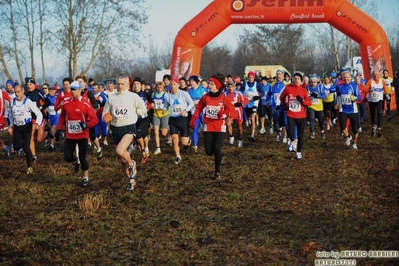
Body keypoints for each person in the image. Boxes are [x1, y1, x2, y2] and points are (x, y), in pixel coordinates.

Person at [102, 74, 147, 191]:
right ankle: (131, 180)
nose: (120, 86)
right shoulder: (111, 97)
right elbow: (105, 112)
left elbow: (143, 108)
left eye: (122, 84)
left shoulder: (133, 96)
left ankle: (132, 163)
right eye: (118, 84)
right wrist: (106, 116)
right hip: (116, 128)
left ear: (128, 84)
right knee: (122, 160)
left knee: (120, 150)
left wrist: (135, 113)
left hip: (129, 127)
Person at [190, 74, 238, 179]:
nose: (209, 85)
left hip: (220, 127)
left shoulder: (223, 98)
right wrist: (194, 118)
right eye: (209, 83)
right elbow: (198, 109)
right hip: (208, 126)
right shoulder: (205, 97)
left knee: (217, 149)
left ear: (217, 85)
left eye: (212, 84)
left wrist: (225, 114)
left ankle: (217, 172)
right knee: (208, 152)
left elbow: (234, 113)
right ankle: (218, 156)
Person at [56, 81, 98, 186]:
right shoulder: (66, 103)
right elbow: (62, 117)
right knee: (67, 157)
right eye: (72, 89)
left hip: (82, 135)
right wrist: (58, 129)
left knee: (83, 157)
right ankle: (76, 160)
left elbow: (94, 119)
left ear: (80, 90)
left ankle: (85, 177)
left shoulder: (85, 103)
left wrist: (87, 125)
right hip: (70, 134)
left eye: (75, 89)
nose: (73, 91)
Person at [9, 85, 43, 174]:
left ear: (22, 91)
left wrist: (37, 123)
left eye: (18, 92)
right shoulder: (12, 101)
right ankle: (22, 146)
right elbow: (10, 114)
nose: (17, 94)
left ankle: (29, 166)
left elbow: (39, 113)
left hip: (26, 127)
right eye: (15, 92)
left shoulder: (27, 102)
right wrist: (11, 124)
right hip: (17, 127)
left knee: (26, 147)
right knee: (16, 147)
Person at [279, 72, 312, 160]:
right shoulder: (288, 88)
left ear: (301, 81)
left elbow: (309, 103)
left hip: (301, 116)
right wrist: (284, 104)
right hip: (291, 114)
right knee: (290, 132)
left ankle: (299, 152)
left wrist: (302, 101)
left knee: (300, 135)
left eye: (298, 79)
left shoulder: (304, 90)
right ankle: (292, 141)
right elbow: (281, 97)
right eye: (295, 79)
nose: (296, 80)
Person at [162, 78, 194, 165]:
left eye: (174, 84)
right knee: (175, 140)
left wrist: (186, 110)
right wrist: (165, 109)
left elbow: (191, 103)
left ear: (178, 85)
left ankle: (187, 142)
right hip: (173, 120)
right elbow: (166, 105)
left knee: (183, 142)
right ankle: (178, 156)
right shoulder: (168, 96)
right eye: (171, 84)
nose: (172, 86)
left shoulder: (184, 94)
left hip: (182, 119)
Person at [336, 71, 361, 149]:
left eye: (347, 77)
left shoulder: (354, 86)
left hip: (353, 110)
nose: (346, 79)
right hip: (343, 110)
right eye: (344, 77)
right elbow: (338, 96)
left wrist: (355, 98)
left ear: (350, 78)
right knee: (342, 126)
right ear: (342, 78)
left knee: (355, 129)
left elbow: (360, 97)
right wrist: (336, 103)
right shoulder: (340, 86)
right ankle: (348, 136)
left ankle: (354, 143)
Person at [224, 81, 249, 147]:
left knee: (239, 127)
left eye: (232, 87)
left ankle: (240, 139)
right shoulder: (225, 94)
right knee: (228, 123)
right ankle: (231, 136)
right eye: (229, 87)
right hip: (230, 112)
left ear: (234, 87)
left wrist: (241, 103)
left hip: (238, 111)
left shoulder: (239, 93)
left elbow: (246, 100)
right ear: (227, 87)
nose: (231, 89)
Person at [240, 71, 262, 141]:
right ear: (248, 77)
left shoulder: (257, 84)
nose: (250, 79)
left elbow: (263, 93)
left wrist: (258, 97)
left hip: (254, 104)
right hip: (246, 104)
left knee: (253, 118)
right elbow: (239, 92)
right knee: (246, 120)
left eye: (252, 77)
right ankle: (244, 132)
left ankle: (252, 135)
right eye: (249, 77)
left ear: (254, 78)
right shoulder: (244, 84)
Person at [364, 69, 387, 137]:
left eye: (377, 74)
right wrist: (369, 90)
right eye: (374, 74)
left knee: (379, 113)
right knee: (372, 113)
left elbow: (385, 89)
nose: (375, 76)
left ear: (379, 75)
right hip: (372, 100)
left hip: (379, 99)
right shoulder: (370, 81)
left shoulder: (382, 81)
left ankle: (379, 127)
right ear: (372, 75)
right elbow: (364, 90)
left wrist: (386, 94)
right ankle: (374, 125)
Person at [187, 75, 207, 152]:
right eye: (190, 81)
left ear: (197, 82)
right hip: (194, 113)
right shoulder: (189, 91)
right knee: (195, 129)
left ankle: (209, 143)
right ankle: (195, 146)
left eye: (193, 81)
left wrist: (200, 103)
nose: (191, 83)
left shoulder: (203, 90)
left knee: (206, 129)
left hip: (204, 112)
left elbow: (208, 100)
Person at [151, 82, 170, 155]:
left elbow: (168, 104)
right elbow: (152, 102)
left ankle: (170, 128)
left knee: (164, 133)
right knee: (156, 131)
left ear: (163, 88)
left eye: (161, 88)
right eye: (158, 87)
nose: (159, 89)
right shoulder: (153, 94)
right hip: (156, 114)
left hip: (164, 114)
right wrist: (152, 105)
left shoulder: (165, 95)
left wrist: (164, 107)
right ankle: (158, 148)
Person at [307, 74, 326, 139]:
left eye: (314, 82)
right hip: (311, 105)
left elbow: (324, 96)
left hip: (319, 106)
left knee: (320, 120)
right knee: (311, 118)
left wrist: (317, 96)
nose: (313, 83)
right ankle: (312, 133)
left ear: (316, 82)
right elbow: (305, 96)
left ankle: (322, 131)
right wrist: (309, 97)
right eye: (311, 82)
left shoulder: (320, 86)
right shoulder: (308, 87)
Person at [46, 86, 60, 151]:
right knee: (53, 131)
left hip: (57, 115)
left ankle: (51, 144)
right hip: (50, 116)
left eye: (51, 91)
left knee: (52, 129)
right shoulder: (47, 97)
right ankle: (56, 141)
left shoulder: (57, 97)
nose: (50, 92)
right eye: (49, 91)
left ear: (55, 91)